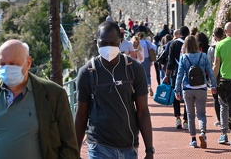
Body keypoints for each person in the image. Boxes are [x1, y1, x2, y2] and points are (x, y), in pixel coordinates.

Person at [0, 39, 79, 159]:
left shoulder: (54, 94)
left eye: (12, 64)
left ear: (28, 63)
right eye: (2, 64)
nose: (6, 69)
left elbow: (69, 146)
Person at [75, 21, 154, 158]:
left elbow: (142, 111)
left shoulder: (134, 69)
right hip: (99, 147)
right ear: (96, 42)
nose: (108, 47)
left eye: (113, 43)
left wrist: (149, 150)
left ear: (121, 41)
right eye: (104, 43)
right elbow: (81, 115)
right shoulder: (86, 73)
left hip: (129, 147)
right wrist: (74, 151)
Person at [174, 35, 217, 149]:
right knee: (201, 114)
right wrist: (213, 85)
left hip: (187, 88)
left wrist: (177, 90)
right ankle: (202, 132)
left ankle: (193, 139)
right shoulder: (203, 56)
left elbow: (179, 74)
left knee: (190, 114)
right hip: (201, 87)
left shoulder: (184, 57)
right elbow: (210, 72)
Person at [163, 26, 190, 129]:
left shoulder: (174, 43)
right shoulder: (190, 42)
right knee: (188, 96)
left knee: (176, 95)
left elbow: (170, 61)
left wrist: (167, 74)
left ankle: (178, 118)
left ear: (179, 33)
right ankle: (186, 120)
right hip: (187, 73)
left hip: (175, 72)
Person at [207, 27, 231, 128]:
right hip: (227, 74)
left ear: (214, 36)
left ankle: (220, 120)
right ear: (223, 35)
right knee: (228, 98)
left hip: (216, 76)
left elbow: (209, 64)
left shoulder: (211, 48)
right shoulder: (228, 46)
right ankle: (229, 119)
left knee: (217, 98)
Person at [138, 32, 157, 96]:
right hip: (146, 59)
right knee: (148, 75)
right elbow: (154, 47)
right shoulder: (146, 42)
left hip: (138, 60)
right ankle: (149, 86)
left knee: (139, 75)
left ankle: (141, 89)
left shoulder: (136, 42)